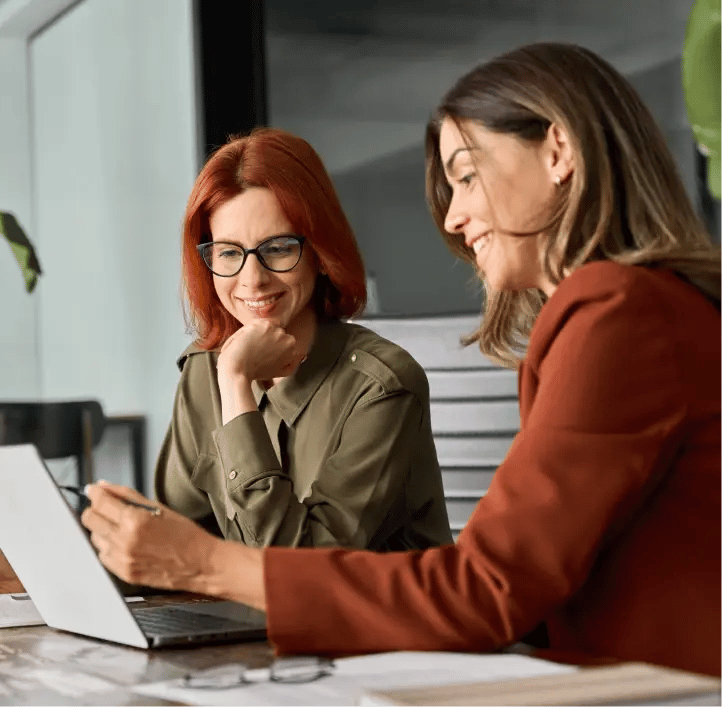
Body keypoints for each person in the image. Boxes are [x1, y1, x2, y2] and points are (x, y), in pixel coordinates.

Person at [81, 43, 721, 677]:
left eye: (467, 175)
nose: (455, 214)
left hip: (651, 688)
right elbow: (522, 581)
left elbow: (487, 590)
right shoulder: (627, 311)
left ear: (559, 152)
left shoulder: (622, 314)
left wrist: (204, 564)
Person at [145, 127, 452, 551]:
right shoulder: (202, 368)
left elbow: (299, 569)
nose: (252, 279)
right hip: (241, 617)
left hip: (355, 617)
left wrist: (236, 387)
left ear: (321, 254)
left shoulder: (382, 388)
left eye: (277, 248)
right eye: (230, 253)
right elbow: (175, 542)